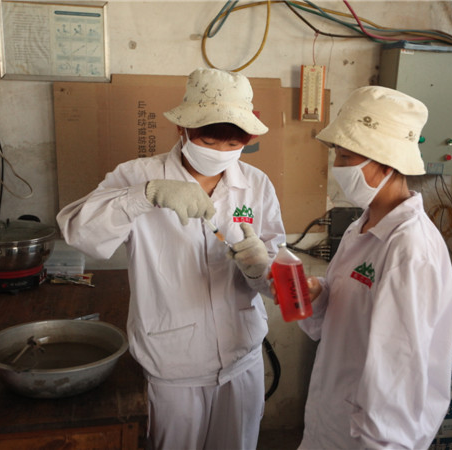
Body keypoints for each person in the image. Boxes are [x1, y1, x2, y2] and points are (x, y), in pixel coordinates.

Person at [56, 67, 285, 450]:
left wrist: (261, 269)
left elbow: (277, 276)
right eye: (209, 140)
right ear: (182, 128)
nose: (221, 152)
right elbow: (80, 232)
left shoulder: (256, 185)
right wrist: (145, 195)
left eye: (233, 144)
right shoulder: (137, 175)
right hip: (173, 367)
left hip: (242, 358)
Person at [290, 86, 452, 449]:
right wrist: (318, 295)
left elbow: (398, 370)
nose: (338, 167)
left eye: (347, 157)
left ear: (386, 161)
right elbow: (339, 320)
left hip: (370, 437)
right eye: (337, 155)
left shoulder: (409, 250)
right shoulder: (362, 226)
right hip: (332, 419)